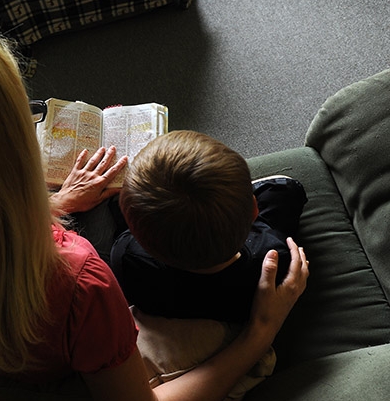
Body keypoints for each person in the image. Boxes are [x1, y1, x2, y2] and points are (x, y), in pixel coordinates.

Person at [0, 17, 308, 401]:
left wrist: (54, 204)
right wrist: (259, 333)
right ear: (7, 143)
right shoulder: (82, 283)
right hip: (74, 355)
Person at [111, 130, 308, 322]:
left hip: (171, 287)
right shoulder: (274, 262)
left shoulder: (127, 258)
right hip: (240, 281)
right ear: (254, 211)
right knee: (286, 189)